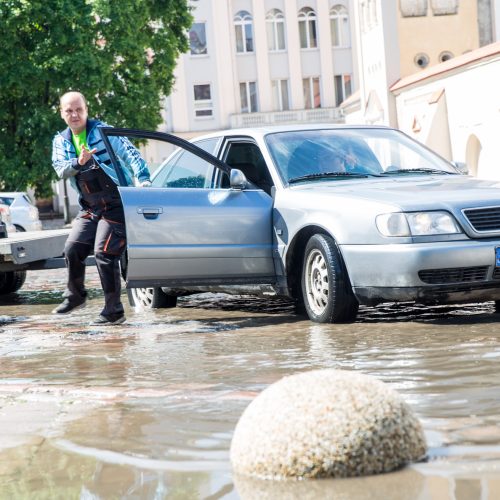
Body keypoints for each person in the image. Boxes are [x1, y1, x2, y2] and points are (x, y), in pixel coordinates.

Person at [51, 91, 151, 324]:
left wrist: (143, 180)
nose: (75, 114)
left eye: (79, 109)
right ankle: (75, 296)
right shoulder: (61, 140)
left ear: (87, 110)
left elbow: (131, 154)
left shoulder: (104, 132)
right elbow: (61, 169)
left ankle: (113, 311)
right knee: (72, 249)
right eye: (69, 110)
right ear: (62, 113)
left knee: (104, 253)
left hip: (116, 204)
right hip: (90, 207)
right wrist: (80, 161)